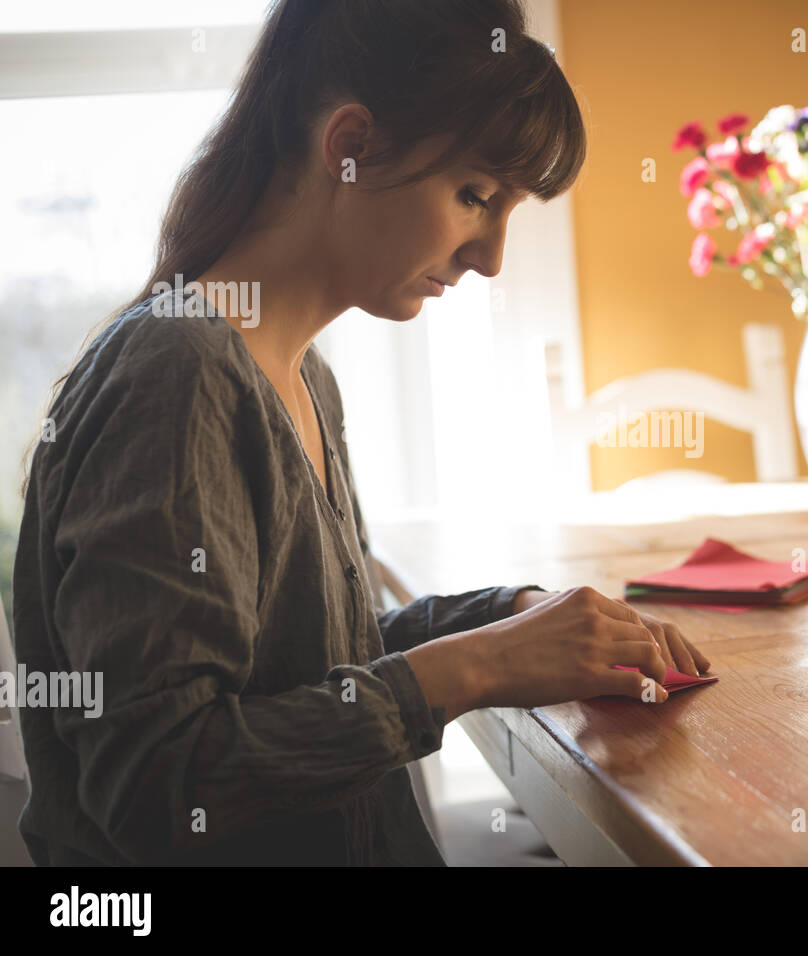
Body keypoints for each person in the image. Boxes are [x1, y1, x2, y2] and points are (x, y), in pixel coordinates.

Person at [11, 0, 708, 866]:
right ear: (349, 147)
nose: (489, 257)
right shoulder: (179, 376)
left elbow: (318, 661)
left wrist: (512, 618)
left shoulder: (302, 375)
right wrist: (478, 668)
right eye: (474, 196)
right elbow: (163, 784)